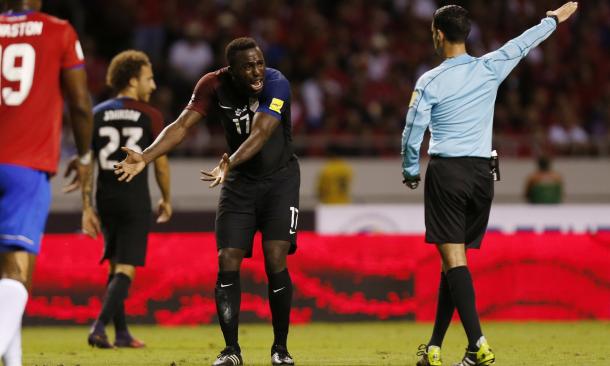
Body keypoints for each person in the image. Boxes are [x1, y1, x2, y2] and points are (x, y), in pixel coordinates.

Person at [400, 3, 578, 366]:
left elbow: (412, 131)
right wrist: (553, 19)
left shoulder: (429, 80)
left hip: (448, 174)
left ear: (437, 33)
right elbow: (524, 43)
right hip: (483, 175)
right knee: (453, 262)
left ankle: (478, 342)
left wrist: (410, 169)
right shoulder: (490, 66)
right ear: (467, 35)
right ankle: (435, 347)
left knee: (453, 259)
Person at [114, 37, 299, 366]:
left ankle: (280, 349)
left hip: (280, 181)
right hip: (239, 182)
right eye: (248, 66)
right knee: (227, 257)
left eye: (259, 63)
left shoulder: (277, 83)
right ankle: (231, 351)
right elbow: (182, 125)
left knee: (275, 257)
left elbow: (261, 132)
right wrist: (145, 156)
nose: (257, 71)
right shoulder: (212, 84)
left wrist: (229, 162)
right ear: (232, 70)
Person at [0, 1, 97, 365]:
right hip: (24, 165)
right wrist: (85, 156)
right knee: (16, 272)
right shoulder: (58, 30)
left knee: (4, 277)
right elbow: (80, 103)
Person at [78, 50, 172, 349]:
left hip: (105, 198)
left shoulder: (97, 113)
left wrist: (86, 206)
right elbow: (160, 163)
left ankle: (120, 333)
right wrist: (167, 198)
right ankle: (99, 327)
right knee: (127, 268)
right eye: (149, 78)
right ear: (133, 81)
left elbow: (87, 162)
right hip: (134, 199)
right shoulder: (151, 115)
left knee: (115, 265)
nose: (153, 85)